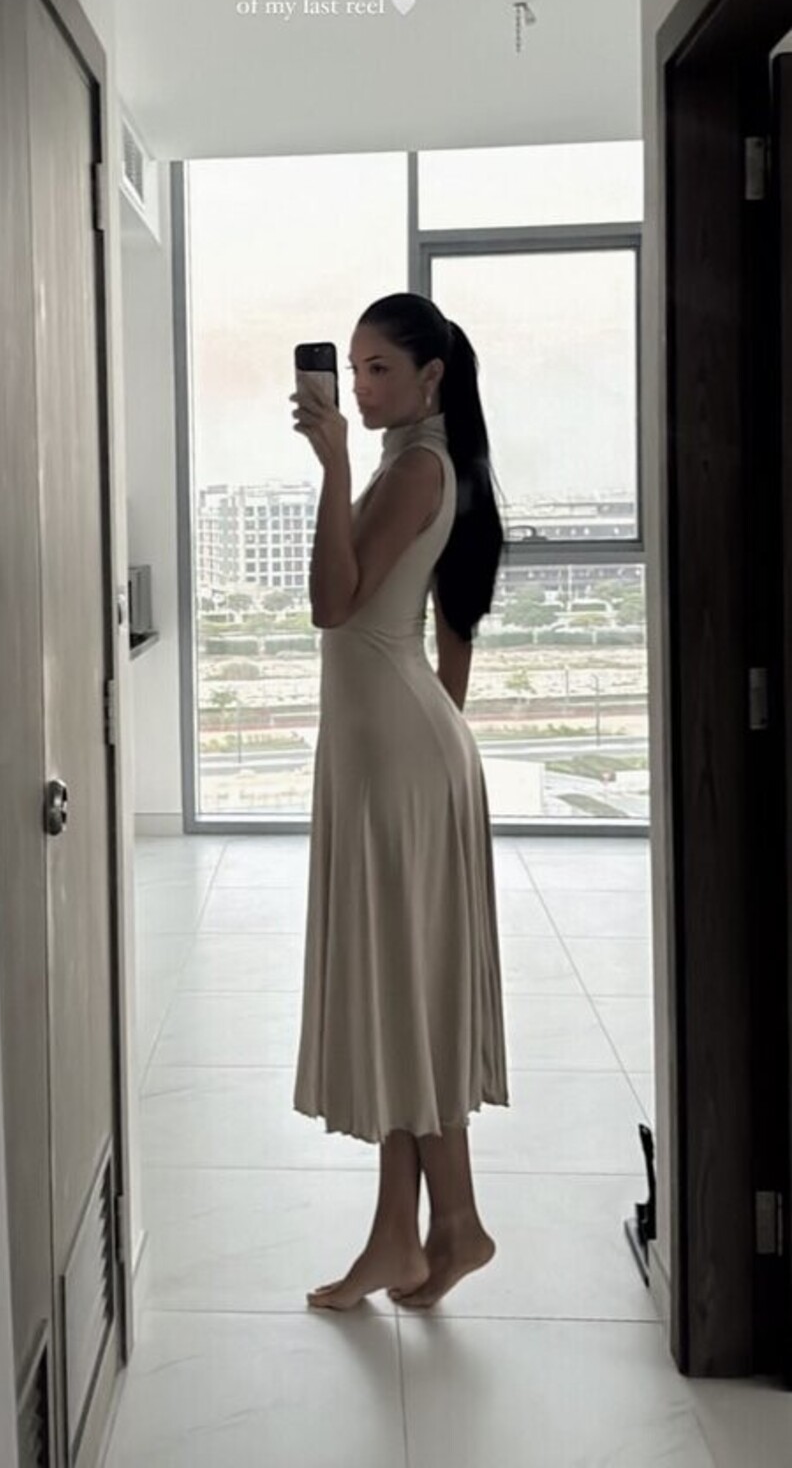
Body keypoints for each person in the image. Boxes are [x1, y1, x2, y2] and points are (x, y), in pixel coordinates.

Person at [290, 291, 509, 1313]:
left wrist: (332, 465)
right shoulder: (419, 461)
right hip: (394, 749)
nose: (360, 386)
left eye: (380, 369)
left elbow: (333, 604)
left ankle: (438, 1229)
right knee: (405, 996)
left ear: (431, 377)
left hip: (394, 757)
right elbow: (429, 626)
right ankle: (418, 1230)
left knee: (402, 995)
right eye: (353, 367)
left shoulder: (413, 467)